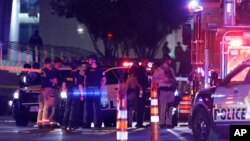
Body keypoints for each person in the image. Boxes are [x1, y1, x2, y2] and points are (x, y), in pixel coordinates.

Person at [153, 57, 177, 129]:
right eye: (167, 62)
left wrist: (168, 80)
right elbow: (154, 78)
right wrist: (161, 81)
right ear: (164, 63)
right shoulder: (159, 70)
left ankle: (169, 122)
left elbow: (174, 80)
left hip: (170, 89)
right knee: (163, 107)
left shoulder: (171, 70)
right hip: (162, 90)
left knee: (170, 107)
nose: (168, 64)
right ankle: (162, 122)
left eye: (169, 62)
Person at [84, 55, 106, 128]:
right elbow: (85, 79)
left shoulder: (100, 69)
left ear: (93, 60)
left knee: (97, 107)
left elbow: (104, 80)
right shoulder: (87, 69)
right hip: (88, 90)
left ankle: (98, 124)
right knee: (88, 107)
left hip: (96, 89)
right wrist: (85, 89)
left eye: (89, 59)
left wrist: (101, 88)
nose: (88, 61)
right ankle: (88, 123)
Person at [61, 61, 84, 130]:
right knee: (74, 109)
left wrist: (64, 91)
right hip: (76, 94)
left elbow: (64, 85)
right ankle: (71, 125)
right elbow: (80, 86)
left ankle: (64, 124)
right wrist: (82, 95)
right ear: (77, 68)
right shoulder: (77, 76)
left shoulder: (67, 75)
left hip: (69, 93)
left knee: (67, 108)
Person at [37, 57, 57, 128]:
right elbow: (51, 80)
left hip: (42, 89)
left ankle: (39, 122)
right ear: (48, 63)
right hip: (48, 89)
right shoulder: (48, 71)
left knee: (41, 107)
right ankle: (44, 123)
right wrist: (54, 83)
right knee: (46, 106)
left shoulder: (42, 71)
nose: (50, 65)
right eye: (50, 63)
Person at [135, 58, 149, 128]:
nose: (147, 64)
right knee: (140, 106)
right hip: (140, 90)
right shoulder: (140, 69)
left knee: (142, 106)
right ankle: (139, 123)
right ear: (143, 62)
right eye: (146, 63)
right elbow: (136, 80)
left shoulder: (143, 70)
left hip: (143, 90)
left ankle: (140, 122)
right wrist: (140, 87)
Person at [50, 57, 63, 127]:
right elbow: (54, 81)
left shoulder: (54, 70)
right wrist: (59, 87)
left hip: (54, 90)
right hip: (55, 90)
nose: (61, 64)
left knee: (55, 106)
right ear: (57, 63)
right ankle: (53, 121)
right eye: (60, 63)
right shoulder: (54, 71)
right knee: (56, 106)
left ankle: (53, 121)